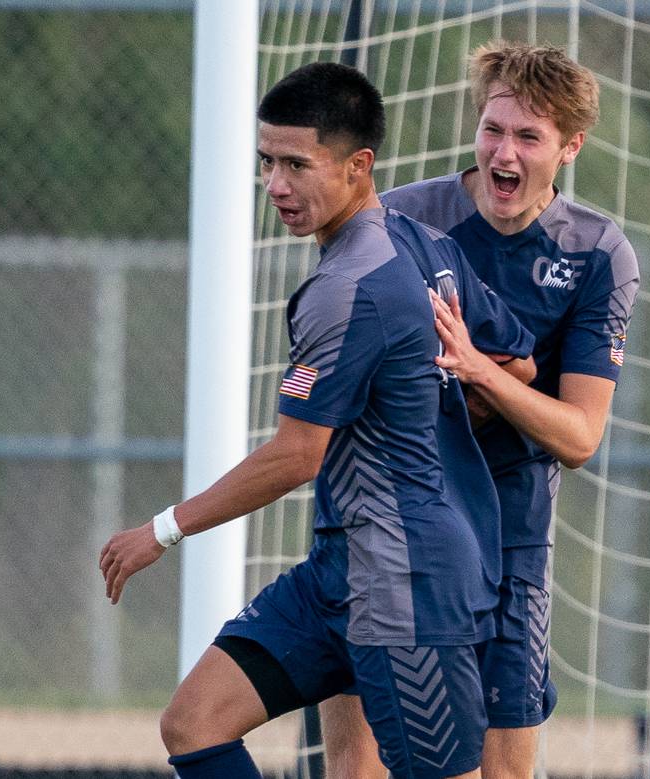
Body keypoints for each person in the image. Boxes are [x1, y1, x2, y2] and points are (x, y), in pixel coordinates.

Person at [99, 61, 537, 779]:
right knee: (193, 722)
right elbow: (515, 359)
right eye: (267, 161)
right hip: (339, 570)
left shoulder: (347, 287)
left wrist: (162, 529)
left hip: (410, 586)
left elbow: (297, 455)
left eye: (297, 164)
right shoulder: (426, 248)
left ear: (359, 165)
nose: (275, 185)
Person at [321, 41, 640, 779]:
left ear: (569, 148)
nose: (505, 150)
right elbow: (338, 375)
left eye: (529, 136)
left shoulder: (597, 253)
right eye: (494, 128)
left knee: (498, 771)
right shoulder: (397, 221)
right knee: (357, 769)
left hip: (508, 539)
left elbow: (581, 434)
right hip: (388, 528)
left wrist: (481, 374)